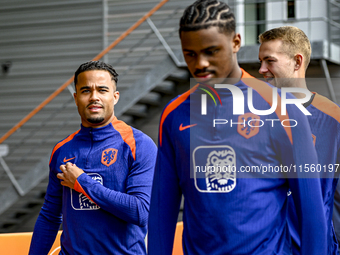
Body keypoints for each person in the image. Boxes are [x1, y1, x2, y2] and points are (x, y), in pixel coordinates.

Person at [148, 1, 327, 254]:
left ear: (235, 42)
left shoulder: (283, 109)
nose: (200, 63)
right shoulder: (174, 115)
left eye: (211, 51)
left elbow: (312, 216)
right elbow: (160, 213)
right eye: (190, 54)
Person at [28, 61, 157, 254]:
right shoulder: (62, 150)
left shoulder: (139, 144)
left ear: (115, 97)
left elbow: (140, 211)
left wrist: (82, 182)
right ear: (76, 97)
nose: (94, 97)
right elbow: (50, 216)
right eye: (86, 90)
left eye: (102, 90)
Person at [258, 26, 340, 255]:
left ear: (297, 62)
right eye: (260, 61)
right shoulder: (250, 119)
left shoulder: (333, 120)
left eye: (269, 61)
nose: (261, 69)